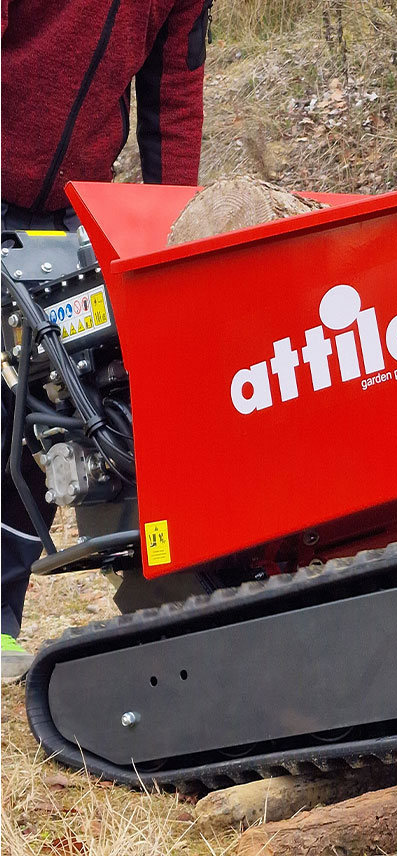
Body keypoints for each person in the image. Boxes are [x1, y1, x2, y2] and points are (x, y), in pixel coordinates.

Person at [1, 0, 211, 682]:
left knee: (100, 386)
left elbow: (172, 102)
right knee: (11, 395)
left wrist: (168, 236)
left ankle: (173, 607)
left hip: (79, 199)